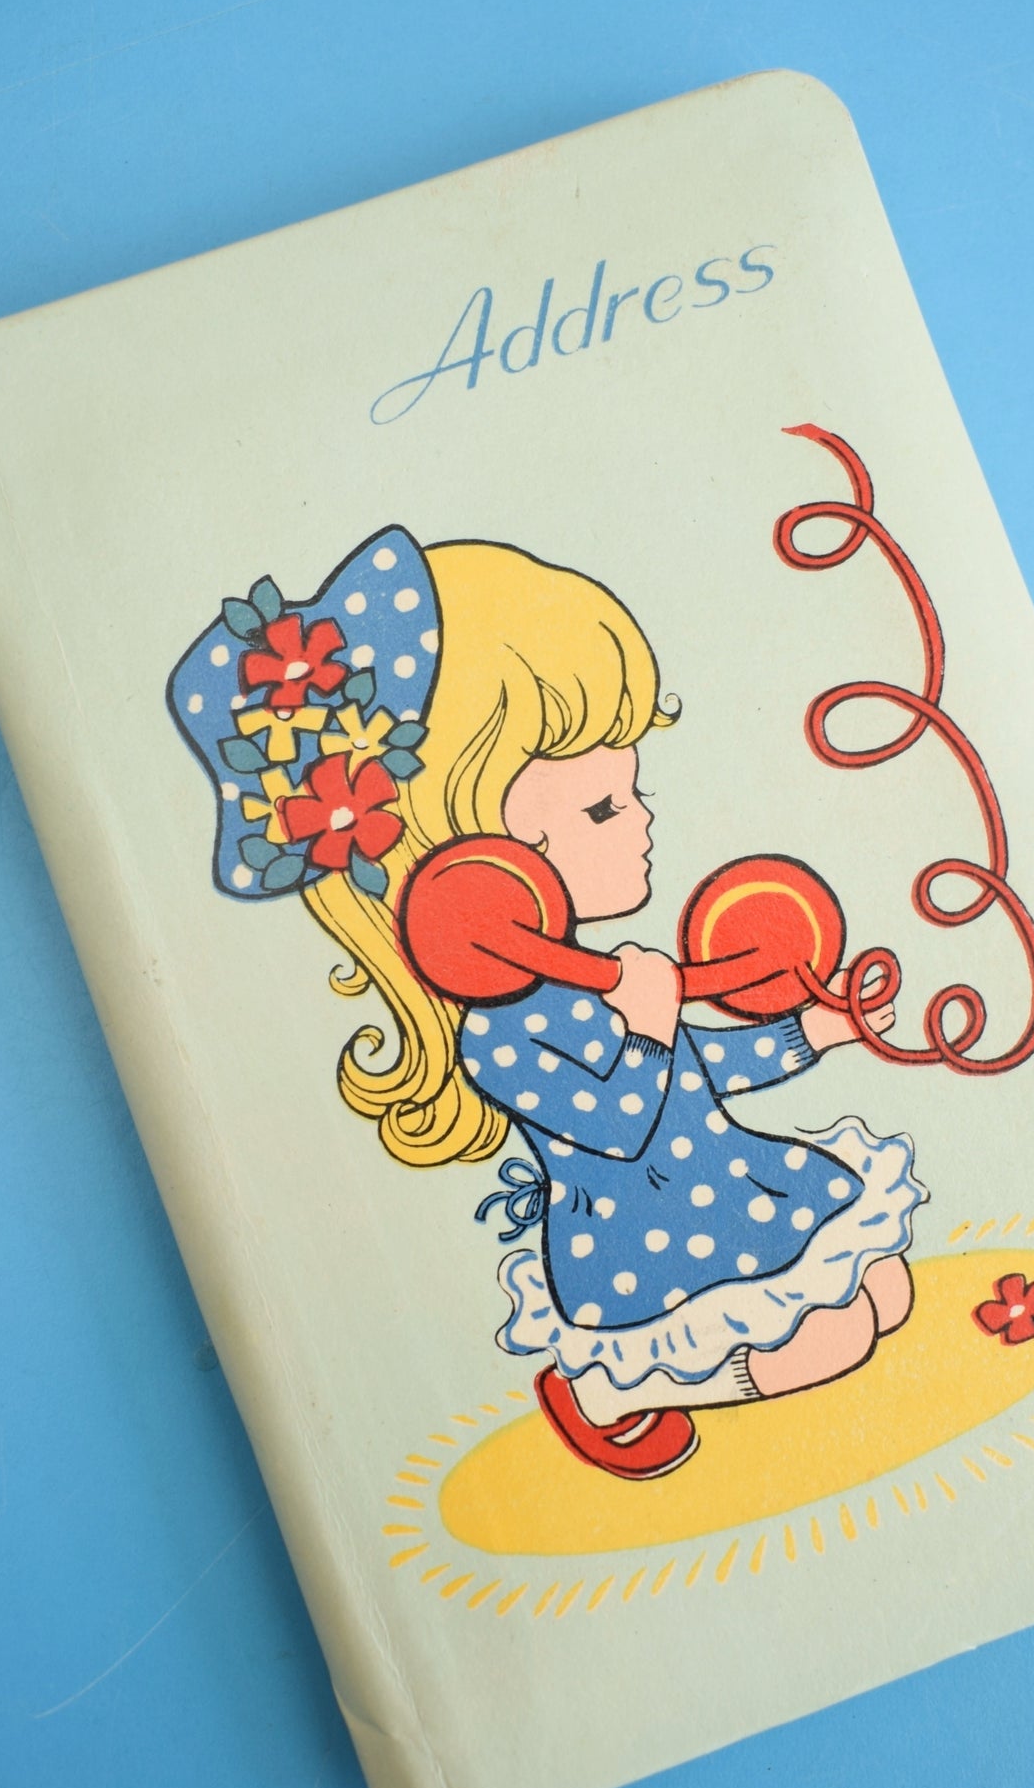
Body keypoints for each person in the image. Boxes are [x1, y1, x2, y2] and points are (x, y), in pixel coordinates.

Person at [169, 526, 924, 1481]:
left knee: (887, 1291)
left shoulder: (599, 976)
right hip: (646, 1248)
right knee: (831, 1341)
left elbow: (706, 1070)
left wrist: (816, 1029)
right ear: (475, 867)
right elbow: (620, 1123)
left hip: (737, 1187)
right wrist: (648, 1028)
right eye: (604, 808)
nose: (643, 819)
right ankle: (609, 1394)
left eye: (630, 791)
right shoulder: (495, 1037)